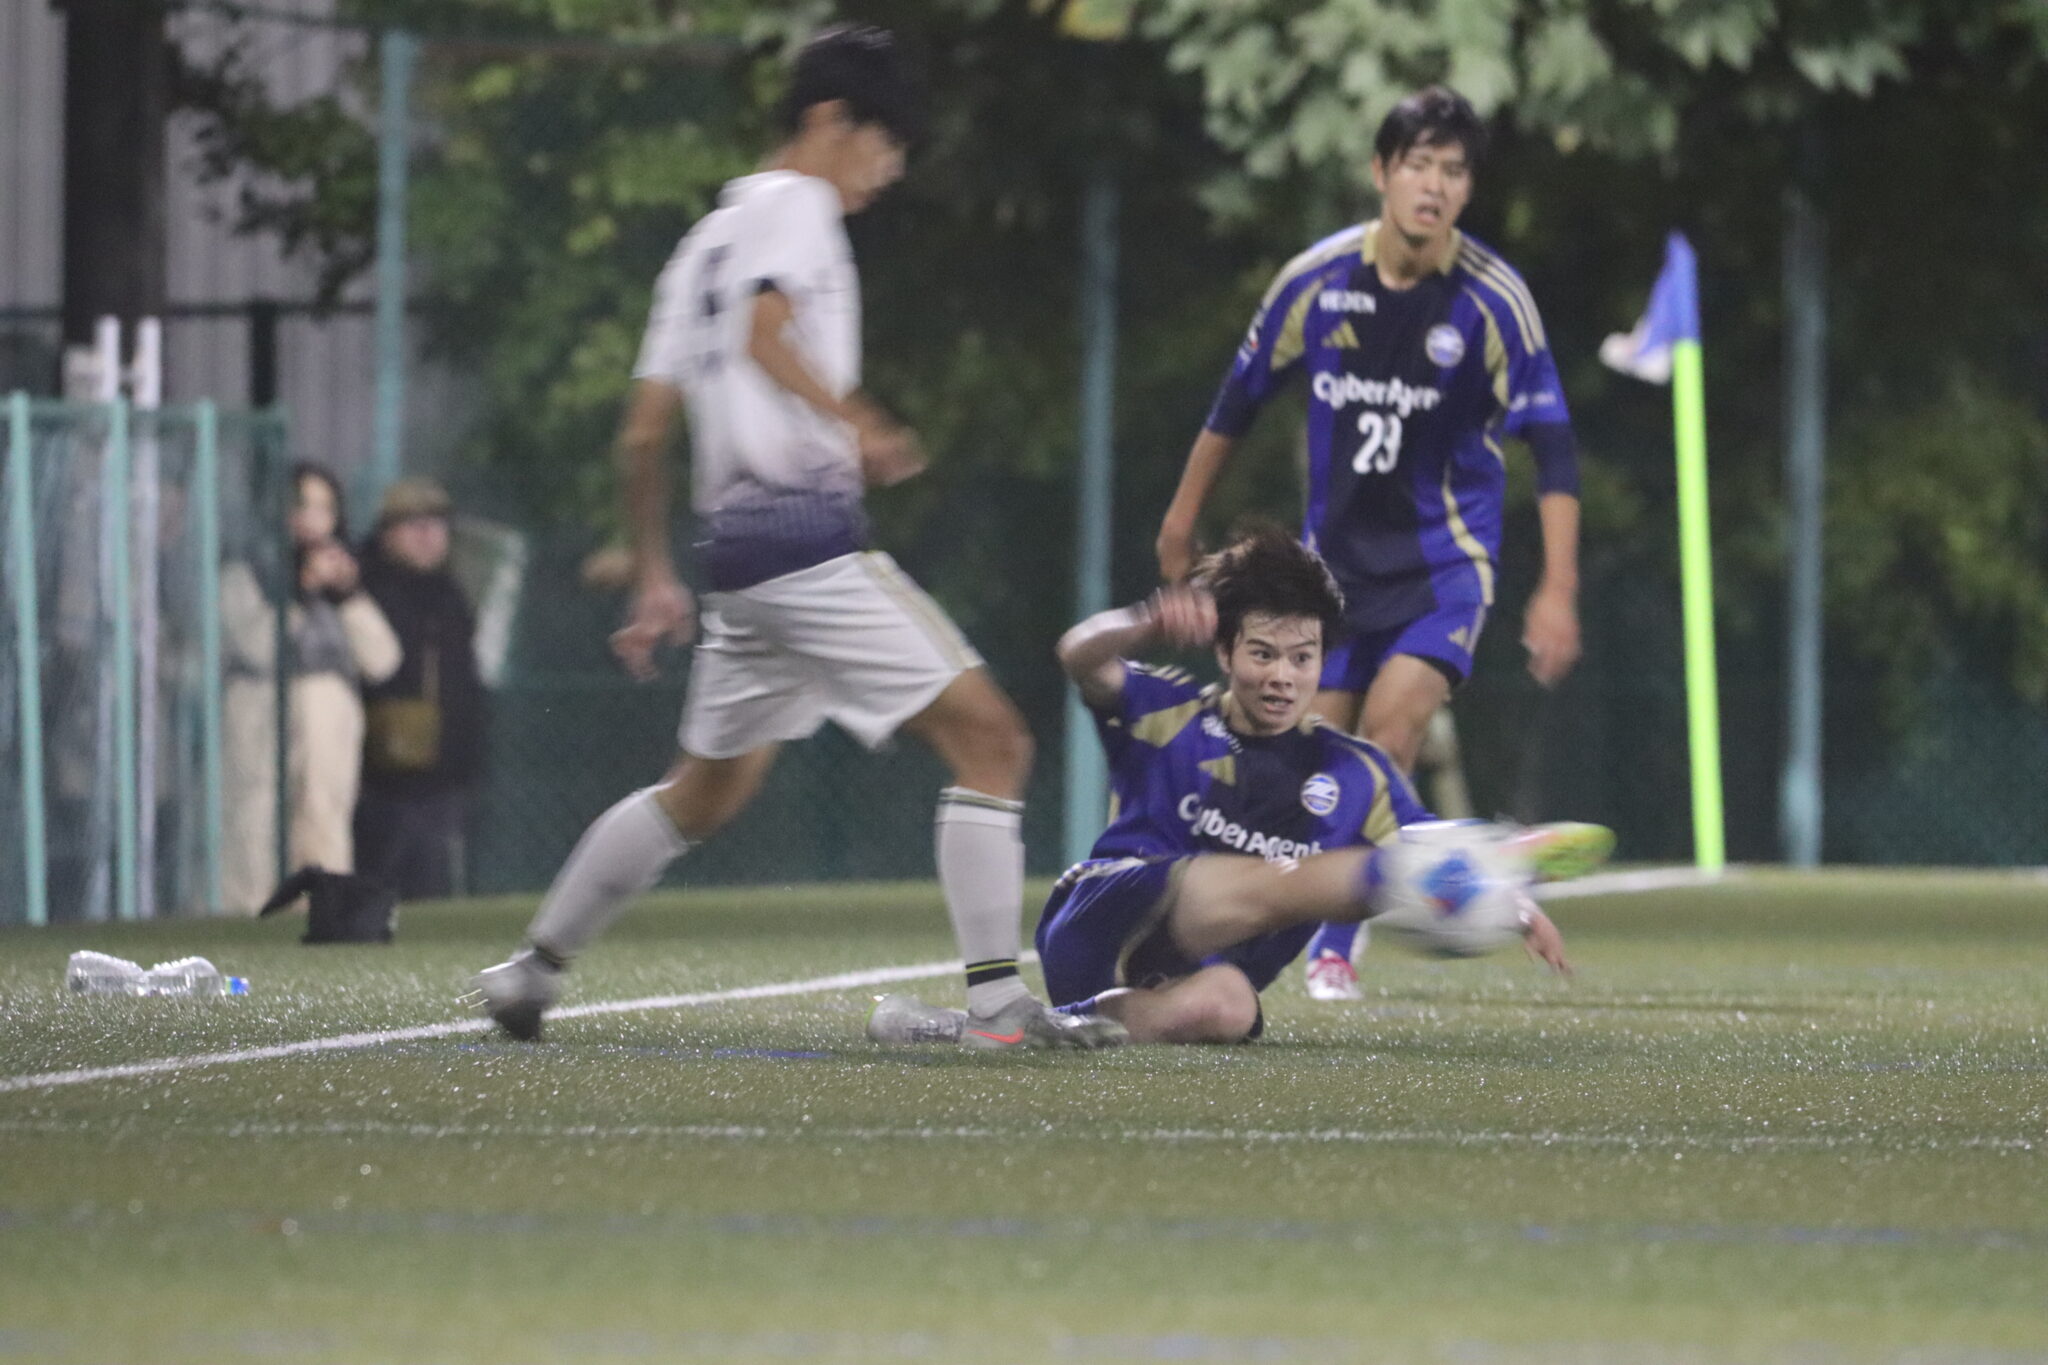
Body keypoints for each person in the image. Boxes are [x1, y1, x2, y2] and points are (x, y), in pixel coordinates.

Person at [471, 25, 1121, 1050]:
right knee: (994, 740)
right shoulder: (796, 206)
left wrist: (654, 571)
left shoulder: (704, 242)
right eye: (884, 141)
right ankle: (999, 1007)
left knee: (701, 791)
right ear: (828, 120)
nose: (890, 167)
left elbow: (642, 433)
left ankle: (532, 970)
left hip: (736, 566)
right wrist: (858, 420)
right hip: (806, 548)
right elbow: (763, 329)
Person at [1153, 86, 1586, 1003]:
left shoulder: (1494, 301)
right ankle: (1262, 921)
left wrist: (1559, 588)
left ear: (1468, 189)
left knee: (1389, 734)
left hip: (1443, 570)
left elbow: (1553, 448)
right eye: (1418, 165)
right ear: (1381, 172)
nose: (1435, 185)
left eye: (1454, 171)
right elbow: (1236, 404)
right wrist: (1180, 520)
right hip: (1333, 578)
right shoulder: (1314, 283)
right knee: (1313, 759)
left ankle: (1334, 948)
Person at [868, 529, 1588, 1047]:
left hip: (1175, 974)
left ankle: (1032, 1031)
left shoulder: (1356, 769)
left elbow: (1428, 843)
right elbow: (1078, 656)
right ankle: (1031, 1016)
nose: (1282, 676)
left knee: (1233, 1005)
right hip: (1102, 918)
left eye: (1302, 658)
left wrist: (1512, 903)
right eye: (1262, 653)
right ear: (1224, 650)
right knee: (1283, 880)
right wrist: (1144, 622)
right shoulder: (1168, 709)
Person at [219, 463, 400, 913]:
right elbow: (257, 645)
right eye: (302, 506)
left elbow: (382, 660)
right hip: (259, 704)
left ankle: (325, 912)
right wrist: (299, 592)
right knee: (253, 815)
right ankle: (246, 915)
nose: (313, 520)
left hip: (327, 706)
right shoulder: (246, 570)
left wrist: (348, 595)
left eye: (325, 508)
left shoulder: (346, 579)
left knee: (323, 812)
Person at [354, 477, 489, 900]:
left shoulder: (451, 595)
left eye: (437, 524)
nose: (429, 535)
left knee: (432, 883)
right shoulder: (368, 588)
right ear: (387, 533)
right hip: (382, 771)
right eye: (414, 524)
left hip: (442, 768)